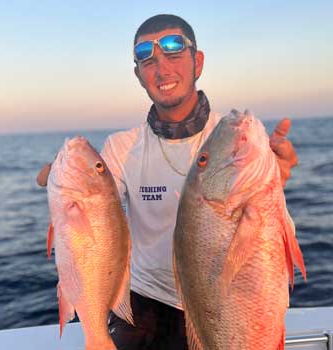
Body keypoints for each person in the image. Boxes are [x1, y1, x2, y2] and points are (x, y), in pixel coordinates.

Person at [37, 14, 298, 350]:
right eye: (147, 60)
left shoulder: (230, 141)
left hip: (220, 299)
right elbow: (93, 202)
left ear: (197, 62)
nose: (162, 68)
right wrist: (55, 176)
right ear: (138, 75)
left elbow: (257, 219)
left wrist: (274, 176)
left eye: (174, 53)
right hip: (146, 304)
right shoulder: (121, 146)